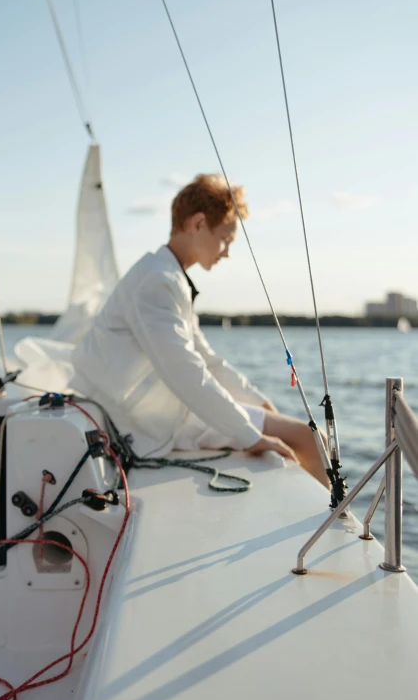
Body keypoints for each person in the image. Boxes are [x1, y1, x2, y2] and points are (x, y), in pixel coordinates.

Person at [69, 174, 329, 487]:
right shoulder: (158, 281)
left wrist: (257, 402)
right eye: (226, 239)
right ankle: (329, 526)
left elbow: (204, 357)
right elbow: (186, 370)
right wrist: (250, 436)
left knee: (306, 435)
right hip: (145, 417)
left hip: (159, 407)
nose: (227, 251)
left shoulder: (164, 274)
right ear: (198, 224)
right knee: (309, 438)